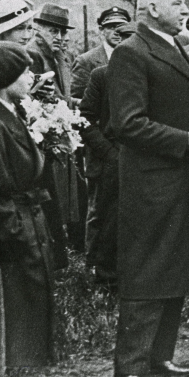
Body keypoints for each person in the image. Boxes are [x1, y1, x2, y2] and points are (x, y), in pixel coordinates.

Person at [108, 0, 189, 377]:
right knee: (147, 272)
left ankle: (160, 357)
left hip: (180, 181)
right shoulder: (131, 53)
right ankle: (129, 372)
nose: (185, 9)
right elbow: (127, 123)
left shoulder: (175, 48)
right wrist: (186, 140)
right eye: (177, 3)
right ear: (152, 9)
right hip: (152, 184)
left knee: (175, 268)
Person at [0, 42, 57, 367]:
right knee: (14, 318)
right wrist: (18, 235)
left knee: (29, 313)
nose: (31, 77)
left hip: (28, 225)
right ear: (7, 78)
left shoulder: (7, 113)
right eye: (25, 72)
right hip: (15, 239)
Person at [28, 3, 79, 268]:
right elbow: (42, 97)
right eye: (53, 30)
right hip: (43, 135)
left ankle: (60, 256)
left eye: (62, 31)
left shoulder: (61, 56)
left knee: (58, 195)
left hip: (57, 131)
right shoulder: (34, 54)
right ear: (39, 28)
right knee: (49, 193)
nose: (59, 37)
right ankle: (54, 258)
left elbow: (63, 96)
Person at [80, 63, 120, 286]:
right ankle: (106, 276)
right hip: (112, 160)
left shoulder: (151, 71)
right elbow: (85, 119)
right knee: (108, 217)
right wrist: (109, 153)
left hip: (145, 155)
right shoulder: (103, 74)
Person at [70, 6, 131, 102]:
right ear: (101, 30)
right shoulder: (85, 61)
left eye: (121, 27)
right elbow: (76, 100)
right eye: (111, 27)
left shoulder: (135, 58)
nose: (117, 32)